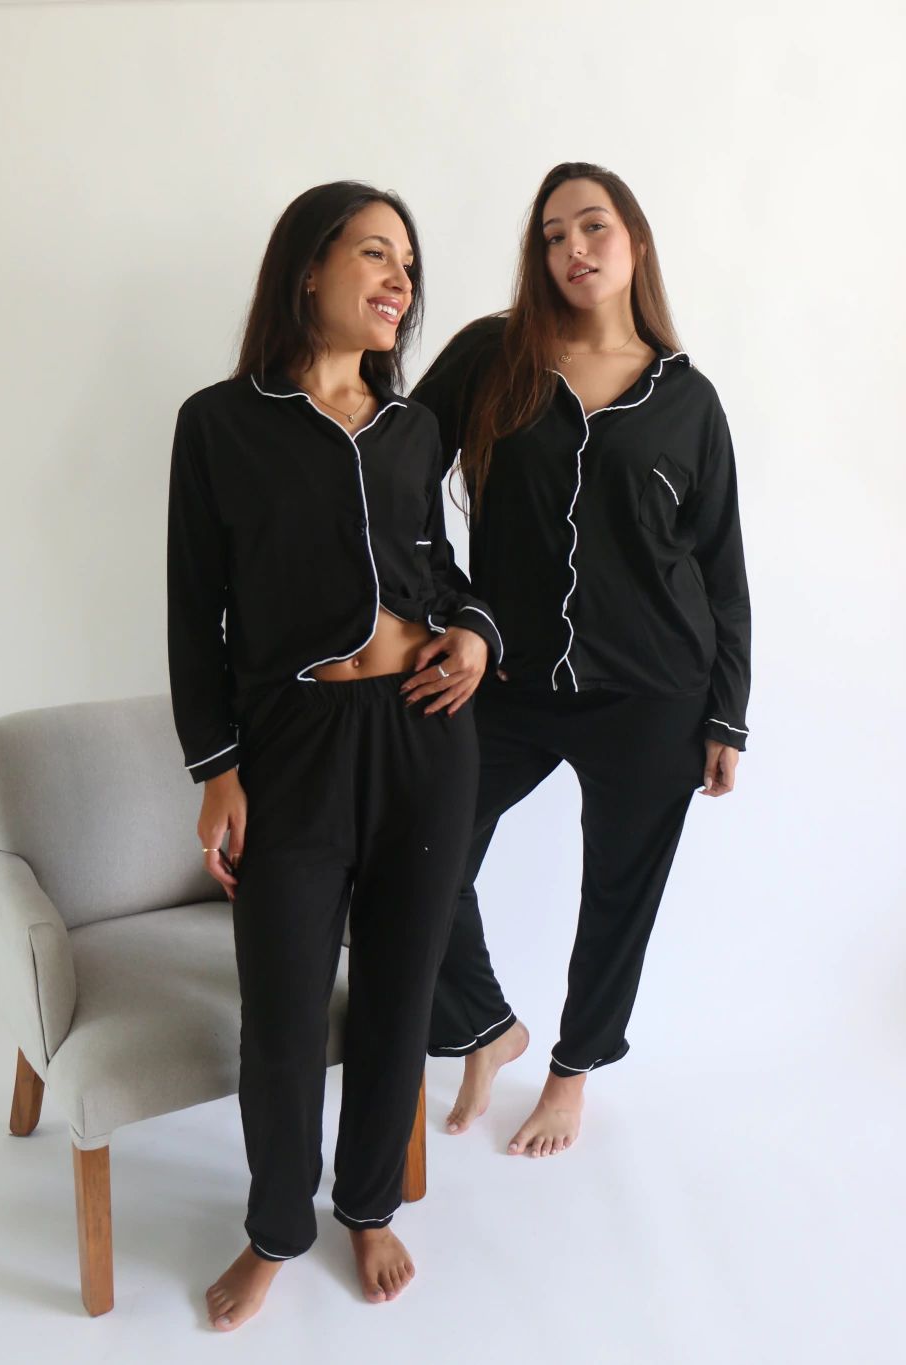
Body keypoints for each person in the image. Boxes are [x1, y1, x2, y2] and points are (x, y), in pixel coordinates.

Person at [167, 181, 500, 1330]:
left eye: (408, 261)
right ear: (308, 268)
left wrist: (476, 632)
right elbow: (193, 612)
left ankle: (368, 1206)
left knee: (398, 996)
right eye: (374, 254)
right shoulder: (219, 423)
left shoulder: (410, 429)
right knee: (283, 1012)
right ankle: (275, 1228)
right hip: (293, 745)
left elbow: (439, 574)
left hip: (426, 736)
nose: (400, 279)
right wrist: (217, 767)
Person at [407, 160, 751, 1159]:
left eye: (592, 226)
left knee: (617, 901)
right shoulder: (493, 357)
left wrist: (726, 713)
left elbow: (720, 566)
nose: (572, 249)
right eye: (553, 235)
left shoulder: (688, 401)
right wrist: (455, 609)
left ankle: (571, 1074)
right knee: (411, 845)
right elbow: (395, 475)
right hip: (506, 681)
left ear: (633, 241)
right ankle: (485, 1027)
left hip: (655, 693)